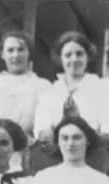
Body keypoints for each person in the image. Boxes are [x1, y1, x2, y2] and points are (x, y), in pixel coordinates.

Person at [32, 31, 109, 173]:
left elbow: (106, 130)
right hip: (55, 159)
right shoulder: (50, 93)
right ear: (60, 58)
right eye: (68, 55)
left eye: (79, 54)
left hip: (93, 159)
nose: (74, 59)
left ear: (88, 57)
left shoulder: (103, 88)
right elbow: (41, 132)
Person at [0, 30, 51, 167]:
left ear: (29, 53)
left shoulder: (43, 86)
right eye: (10, 50)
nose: (16, 55)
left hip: (28, 157)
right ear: (2, 54)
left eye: (21, 49)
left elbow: (45, 130)